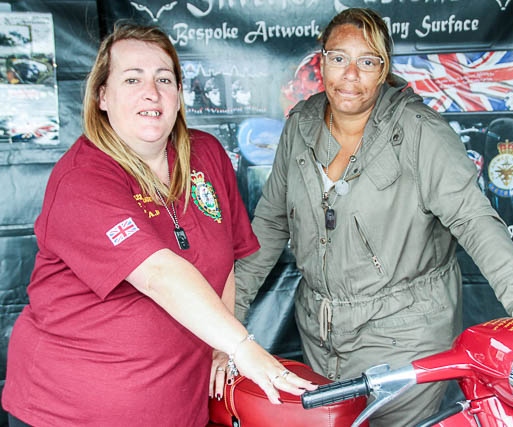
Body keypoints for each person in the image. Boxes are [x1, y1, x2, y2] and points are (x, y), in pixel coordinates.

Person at [234, 8, 513, 426]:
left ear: (384, 71)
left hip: (404, 335)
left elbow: (474, 220)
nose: (350, 74)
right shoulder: (301, 126)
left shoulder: (421, 132)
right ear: (320, 60)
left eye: (367, 62)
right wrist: (229, 317)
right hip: (321, 333)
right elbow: (271, 224)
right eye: (338, 58)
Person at [1, 22, 315, 427]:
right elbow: (159, 274)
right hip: (68, 413)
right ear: (102, 96)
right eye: (132, 78)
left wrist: (219, 345)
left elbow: (227, 260)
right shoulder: (82, 177)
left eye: (164, 78)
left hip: (179, 410)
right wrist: (242, 347)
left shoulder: (207, 154)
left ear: (179, 95)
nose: (151, 92)